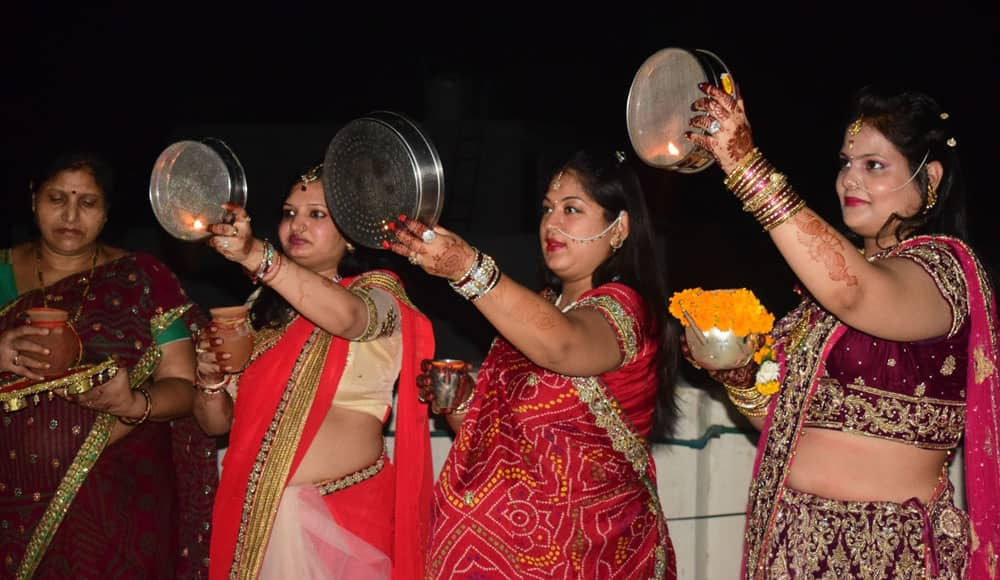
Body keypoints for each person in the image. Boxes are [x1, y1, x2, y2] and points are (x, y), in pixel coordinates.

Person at [683, 83, 999, 577]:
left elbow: (853, 291)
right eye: (846, 163)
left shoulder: (943, 271)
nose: (849, 179)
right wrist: (740, 375)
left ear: (930, 178)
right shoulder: (817, 305)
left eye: (874, 165)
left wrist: (747, 169)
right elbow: (787, 428)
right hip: (794, 542)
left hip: (889, 553)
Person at [391, 149, 679, 579]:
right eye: (547, 209)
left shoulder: (626, 309)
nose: (552, 222)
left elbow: (563, 347)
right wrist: (463, 402)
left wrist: (467, 269)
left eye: (572, 209)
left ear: (619, 228)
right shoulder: (541, 308)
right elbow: (506, 440)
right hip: (505, 557)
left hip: (591, 557)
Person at [192, 163, 435, 579]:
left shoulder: (377, 293)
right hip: (259, 526)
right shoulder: (257, 311)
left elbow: (346, 320)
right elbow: (216, 424)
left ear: (351, 233)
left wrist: (255, 255)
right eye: (289, 213)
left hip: (347, 526)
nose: (297, 225)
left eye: (317, 214)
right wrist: (210, 378)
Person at [0, 151, 218, 578]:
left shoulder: (142, 278)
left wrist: (135, 403)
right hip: (10, 498)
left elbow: (182, 383)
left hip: (120, 501)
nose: (70, 215)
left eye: (88, 203)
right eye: (56, 198)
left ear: (106, 213)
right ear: (33, 199)